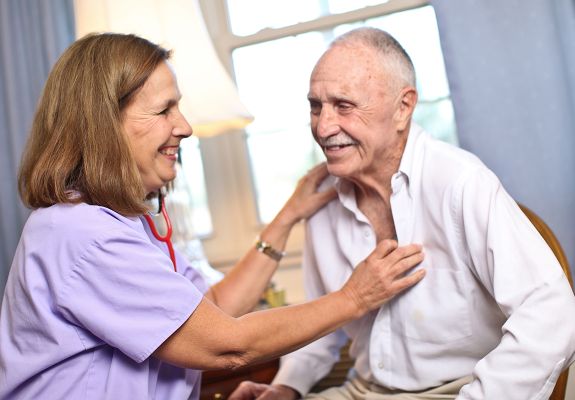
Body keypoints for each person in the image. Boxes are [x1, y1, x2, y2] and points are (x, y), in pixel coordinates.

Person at [0, 33, 427, 400]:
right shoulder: (80, 234)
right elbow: (226, 346)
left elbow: (215, 306)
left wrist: (287, 217)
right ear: (105, 126)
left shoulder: (122, 224)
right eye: (165, 110)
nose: (184, 126)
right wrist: (353, 298)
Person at [229, 27, 575, 400]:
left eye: (344, 106)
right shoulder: (322, 202)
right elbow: (322, 327)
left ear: (403, 107)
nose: (324, 127)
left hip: (461, 389)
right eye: (316, 106)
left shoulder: (460, 182)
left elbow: (552, 313)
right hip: (363, 392)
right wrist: (286, 387)